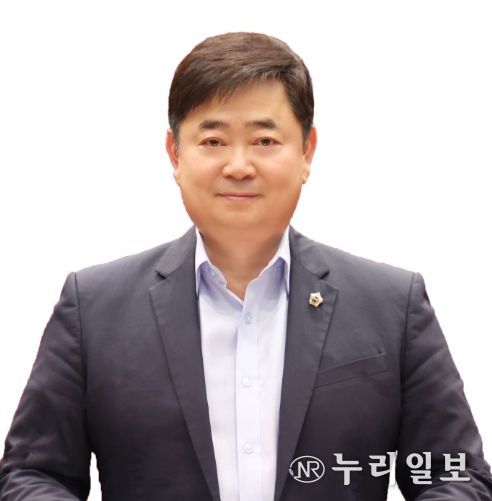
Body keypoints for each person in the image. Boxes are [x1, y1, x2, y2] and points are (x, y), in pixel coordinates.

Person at [0, 31, 491, 501]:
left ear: (307, 151)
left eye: (264, 141)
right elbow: (32, 473)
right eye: (213, 141)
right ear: (175, 153)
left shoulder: (392, 306)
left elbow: (456, 474)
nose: (238, 166)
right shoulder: (94, 308)